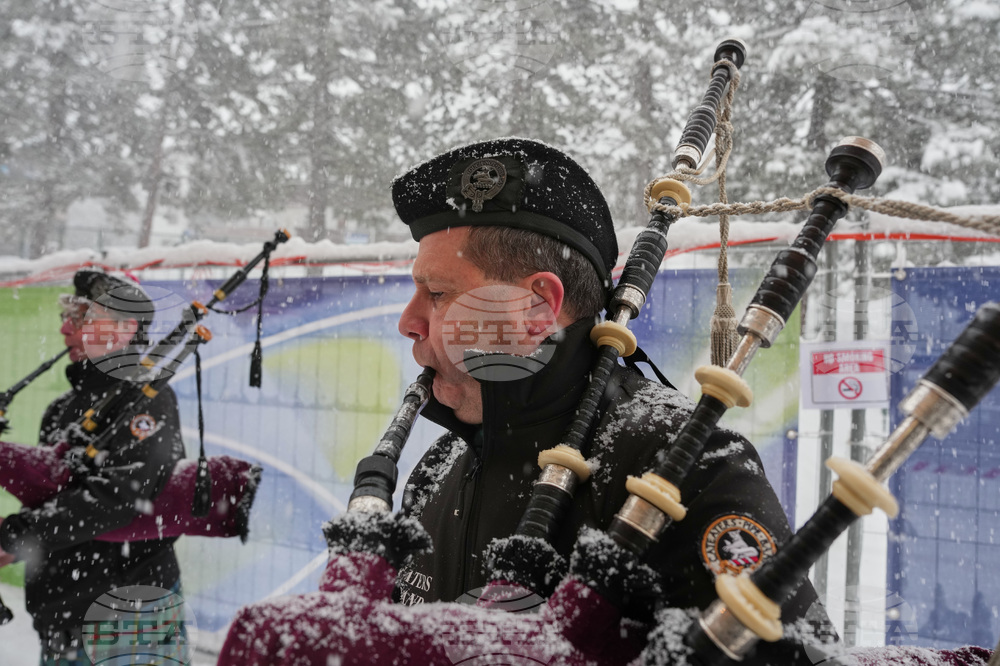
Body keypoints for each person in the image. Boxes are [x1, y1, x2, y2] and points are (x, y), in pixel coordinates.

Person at [390, 138, 831, 660]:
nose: (408, 322)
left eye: (438, 294)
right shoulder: (436, 469)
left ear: (538, 308)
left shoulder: (685, 463)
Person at [0, 270, 185, 665]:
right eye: (67, 318)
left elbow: (120, 496)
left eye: (81, 318)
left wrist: (17, 534)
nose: (66, 328)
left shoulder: (150, 399)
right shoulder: (61, 411)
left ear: (124, 328)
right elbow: (58, 496)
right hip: (60, 618)